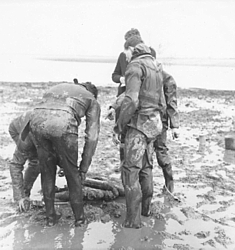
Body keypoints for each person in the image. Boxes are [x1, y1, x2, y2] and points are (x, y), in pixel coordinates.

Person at [21, 82, 101, 227]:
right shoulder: (91, 99)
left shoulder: (61, 87)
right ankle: (80, 219)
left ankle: (50, 218)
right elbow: (92, 137)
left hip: (37, 120)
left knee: (47, 170)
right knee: (72, 173)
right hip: (63, 122)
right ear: (93, 94)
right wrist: (83, 169)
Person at [114, 35, 166, 228]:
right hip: (154, 124)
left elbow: (131, 100)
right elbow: (162, 102)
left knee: (130, 171)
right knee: (146, 167)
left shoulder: (135, 66)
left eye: (125, 52)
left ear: (130, 49)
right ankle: (146, 209)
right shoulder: (156, 66)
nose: (124, 57)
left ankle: (133, 221)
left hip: (138, 126)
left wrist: (120, 126)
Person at [9, 111, 40, 212]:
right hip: (17, 129)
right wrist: (19, 197)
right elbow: (15, 165)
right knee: (36, 162)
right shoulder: (26, 141)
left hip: (33, 126)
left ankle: (26, 193)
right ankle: (24, 194)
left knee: (41, 159)